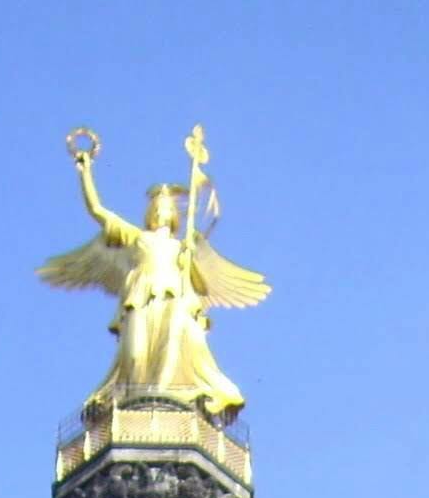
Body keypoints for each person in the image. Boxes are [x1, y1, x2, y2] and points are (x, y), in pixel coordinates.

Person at [39, 131, 269, 422]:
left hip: (176, 301)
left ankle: (163, 406)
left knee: (172, 350)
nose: (161, 212)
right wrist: (86, 171)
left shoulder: (183, 245)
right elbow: (98, 210)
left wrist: (191, 260)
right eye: (156, 207)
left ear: (174, 216)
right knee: (136, 355)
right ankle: (139, 404)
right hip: (140, 300)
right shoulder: (135, 238)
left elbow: (200, 284)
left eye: (166, 208)